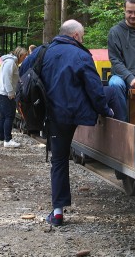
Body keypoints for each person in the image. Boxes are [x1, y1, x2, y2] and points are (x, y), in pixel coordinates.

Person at [19, 20, 120, 227]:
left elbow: (24, 74)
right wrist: (106, 111)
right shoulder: (82, 55)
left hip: (53, 116)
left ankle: (57, 213)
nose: (82, 40)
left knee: (59, 160)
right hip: (75, 114)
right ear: (75, 36)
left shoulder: (42, 51)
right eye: (81, 37)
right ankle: (123, 129)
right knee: (113, 90)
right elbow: (94, 90)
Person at [0, 46, 28, 148]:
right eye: (24, 57)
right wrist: (10, 92)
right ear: (20, 55)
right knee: (9, 116)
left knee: (3, 117)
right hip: (5, 93)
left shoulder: (9, 61)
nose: (24, 59)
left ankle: (1, 139)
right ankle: (7, 140)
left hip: (0, 92)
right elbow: (6, 78)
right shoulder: (10, 63)